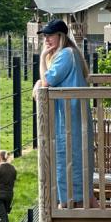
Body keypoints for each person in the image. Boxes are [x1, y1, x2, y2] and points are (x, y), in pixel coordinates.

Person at [33, 19, 96, 208]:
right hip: (73, 115)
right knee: (76, 156)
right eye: (45, 36)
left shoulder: (65, 55)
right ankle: (79, 201)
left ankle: (69, 204)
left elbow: (46, 81)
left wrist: (43, 57)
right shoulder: (71, 54)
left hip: (69, 117)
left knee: (67, 157)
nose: (46, 40)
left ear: (60, 36)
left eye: (50, 35)